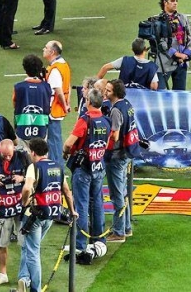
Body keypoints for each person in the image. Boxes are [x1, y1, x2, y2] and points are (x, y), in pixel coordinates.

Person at [17, 138, 76, 292]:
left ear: (33, 152)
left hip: (35, 216)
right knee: (28, 247)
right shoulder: (57, 167)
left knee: (33, 252)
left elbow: (26, 188)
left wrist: (24, 203)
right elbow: (67, 192)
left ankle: (34, 288)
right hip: (51, 215)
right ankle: (23, 279)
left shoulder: (34, 167)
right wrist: (72, 211)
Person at [62, 88, 110, 256]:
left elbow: (69, 143)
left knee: (80, 204)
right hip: (99, 166)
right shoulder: (106, 121)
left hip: (83, 169)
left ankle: (80, 244)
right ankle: (98, 240)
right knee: (97, 204)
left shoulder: (85, 119)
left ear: (88, 102)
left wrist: (66, 151)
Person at [0, 140, 30, 286]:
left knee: (25, 243)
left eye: (9, 155)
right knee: (1, 243)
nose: (6, 158)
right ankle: (2, 274)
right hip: (3, 208)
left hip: (21, 206)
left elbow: (35, 176)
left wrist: (22, 178)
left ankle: (26, 276)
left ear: (14, 150)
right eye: (4, 155)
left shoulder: (23, 157)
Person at [104, 80, 139, 242]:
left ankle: (119, 232)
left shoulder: (116, 110)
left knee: (117, 194)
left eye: (109, 90)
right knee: (123, 192)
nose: (105, 92)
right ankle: (126, 227)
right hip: (126, 153)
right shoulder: (127, 104)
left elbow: (115, 135)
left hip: (117, 156)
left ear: (116, 93)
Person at [155, 0, 191, 90]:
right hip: (164, 63)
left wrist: (186, 54)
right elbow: (160, 41)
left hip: (182, 63)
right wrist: (176, 54)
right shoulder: (158, 20)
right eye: (172, 1)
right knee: (160, 95)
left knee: (180, 97)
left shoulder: (183, 18)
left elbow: (190, 36)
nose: (175, 3)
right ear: (165, 2)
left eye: (176, 1)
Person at [42, 41, 70, 172]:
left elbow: (58, 90)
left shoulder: (55, 69)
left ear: (52, 52)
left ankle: (56, 172)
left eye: (46, 48)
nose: (44, 49)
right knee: (55, 141)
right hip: (58, 108)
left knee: (53, 143)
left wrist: (64, 106)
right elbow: (67, 86)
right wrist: (67, 103)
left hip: (53, 109)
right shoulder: (63, 65)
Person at [13, 54, 52, 146]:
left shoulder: (18, 87)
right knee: (40, 156)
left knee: (23, 158)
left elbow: (15, 104)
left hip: (22, 127)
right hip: (42, 128)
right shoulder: (46, 87)